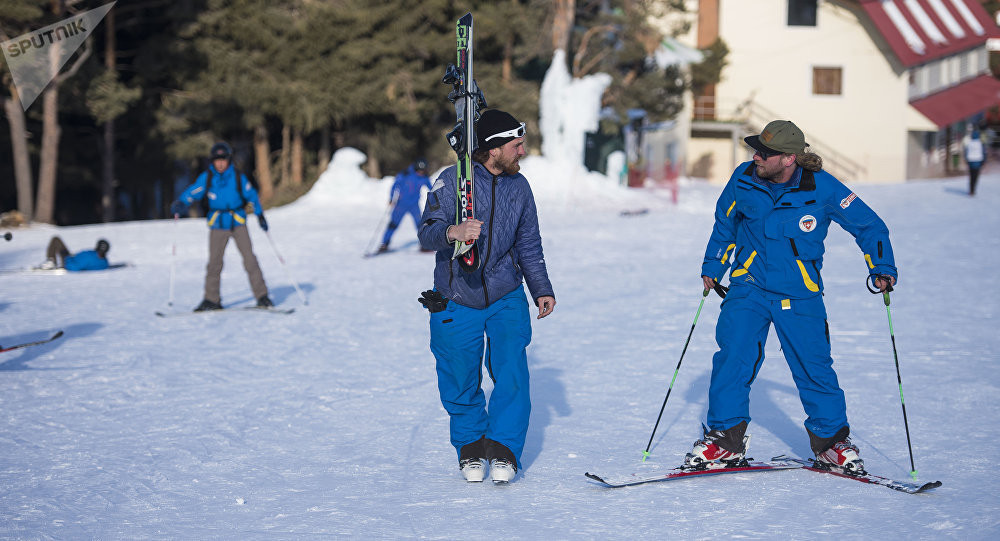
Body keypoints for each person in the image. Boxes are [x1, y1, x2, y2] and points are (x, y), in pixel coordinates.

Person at [689, 120, 897, 474]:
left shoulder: (823, 188)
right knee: (732, 359)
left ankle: (831, 444)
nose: (756, 157)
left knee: (813, 367)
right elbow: (724, 224)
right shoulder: (743, 178)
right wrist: (714, 264)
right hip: (748, 286)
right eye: (756, 150)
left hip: (800, 292)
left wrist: (881, 265)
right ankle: (725, 441)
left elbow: (869, 225)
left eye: (764, 153)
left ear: (788, 159)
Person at [417, 109, 556, 484]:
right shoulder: (451, 181)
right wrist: (453, 231)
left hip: (505, 293)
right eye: (517, 145)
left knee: (512, 371)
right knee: (460, 376)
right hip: (455, 296)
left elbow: (529, 242)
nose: (522, 151)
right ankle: (471, 446)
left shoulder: (519, 187)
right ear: (493, 148)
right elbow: (426, 232)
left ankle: (505, 447)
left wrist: (540, 288)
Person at [170, 142, 273, 311]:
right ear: (212, 161)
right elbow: (194, 191)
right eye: (217, 160)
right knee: (214, 263)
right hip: (217, 223)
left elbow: (252, 196)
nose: (220, 163)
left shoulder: (238, 177)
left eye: (223, 159)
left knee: (250, 260)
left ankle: (262, 296)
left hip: (238, 222)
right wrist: (182, 202)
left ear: (228, 160)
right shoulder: (208, 177)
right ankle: (212, 299)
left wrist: (260, 214)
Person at [377, 159, 432, 253]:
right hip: (401, 205)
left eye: (423, 171)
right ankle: (384, 244)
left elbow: (431, 187)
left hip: (414, 205)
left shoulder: (424, 177)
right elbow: (395, 186)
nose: (421, 172)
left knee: (420, 225)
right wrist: (391, 198)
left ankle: (424, 245)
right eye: (419, 170)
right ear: (415, 169)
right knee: (393, 224)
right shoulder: (405, 174)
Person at [39, 237, 110, 271]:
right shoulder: (104, 262)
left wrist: (67, 260)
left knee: (56, 240)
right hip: (74, 259)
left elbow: (74, 268)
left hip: (68, 261)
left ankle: (51, 262)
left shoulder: (89, 256)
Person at [963, 128, 985, 196]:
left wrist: (966, 160)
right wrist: (983, 161)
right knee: (976, 176)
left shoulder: (969, 143)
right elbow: (984, 153)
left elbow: (966, 153)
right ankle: (974, 189)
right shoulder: (980, 143)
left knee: (971, 176)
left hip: (970, 161)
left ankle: (971, 190)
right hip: (978, 161)